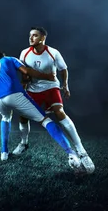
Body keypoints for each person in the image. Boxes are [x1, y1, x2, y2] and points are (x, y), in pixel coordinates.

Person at [14, 27, 95, 174]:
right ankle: (23, 143)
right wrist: (24, 85)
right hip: (33, 89)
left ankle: (82, 152)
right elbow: (24, 73)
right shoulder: (24, 53)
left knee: (59, 112)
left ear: (43, 38)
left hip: (51, 87)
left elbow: (63, 69)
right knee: (22, 116)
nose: (31, 38)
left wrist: (65, 85)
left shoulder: (53, 52)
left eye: (35, 35)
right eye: (30, 35)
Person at [0, 50, 83, 172]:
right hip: (11, 94)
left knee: (6, 118)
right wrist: (47, 76)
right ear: (4, 55)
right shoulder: (10, 59)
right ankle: (71, 153)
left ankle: (4, 153)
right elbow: (26, 71)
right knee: (45, 120)